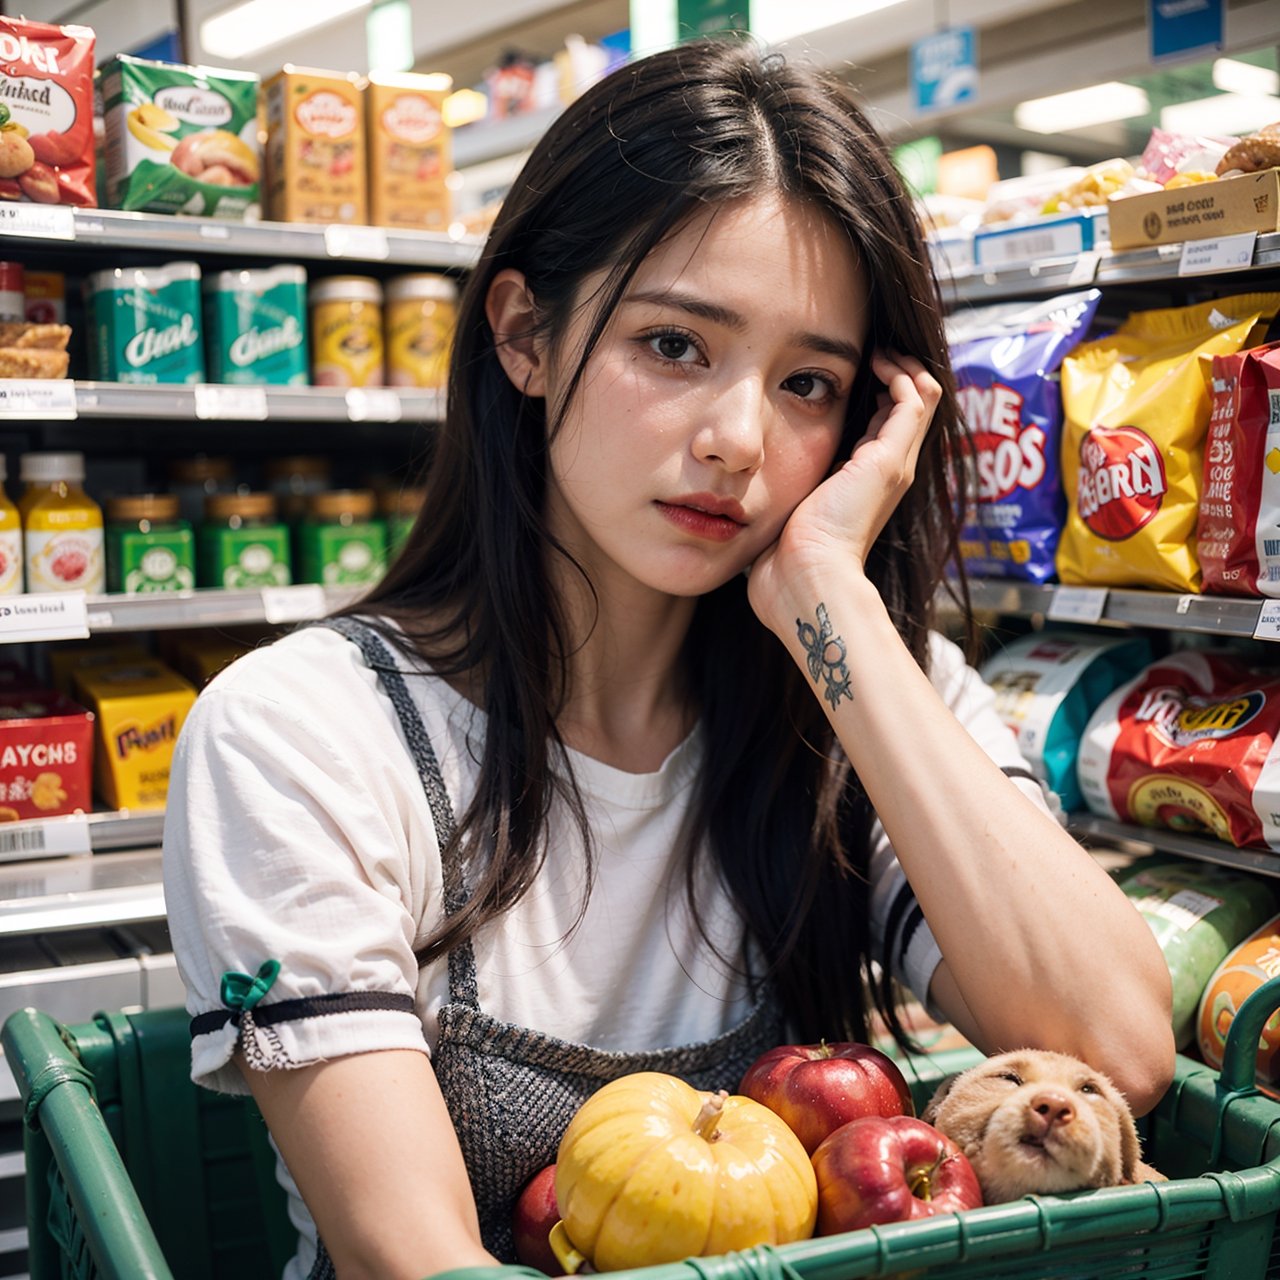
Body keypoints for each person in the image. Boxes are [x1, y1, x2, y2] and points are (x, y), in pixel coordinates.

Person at [163, 35, 1175, 1280]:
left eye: (808, 383)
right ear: (524, 334)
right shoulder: (305, 732)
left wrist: (829, 604)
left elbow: (1113, 1048)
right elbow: (410, 1257)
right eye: (675, 346)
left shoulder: (861, 700)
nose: (738, 441)